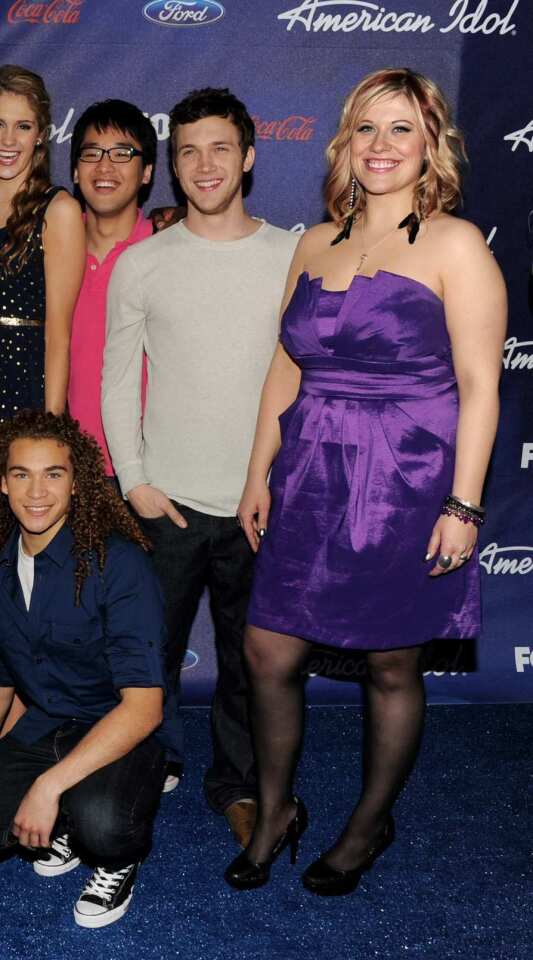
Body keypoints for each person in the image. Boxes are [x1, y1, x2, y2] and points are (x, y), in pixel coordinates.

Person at [227, 69, 505, 895]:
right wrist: (257, 473)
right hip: (311, 467)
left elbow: (480, 386)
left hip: (406, 476)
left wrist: (461, 505)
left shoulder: (455, 243)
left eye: (400, 130)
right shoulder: (313, 242)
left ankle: (365, 823)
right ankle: (274, 811)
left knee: (391, 663)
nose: (380, 147)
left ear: (430, 147)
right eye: (365, 130)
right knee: (265, 647)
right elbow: (286, 363)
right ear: (342, 144)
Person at [102, 88, 298, 845]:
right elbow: (117, 380)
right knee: (142, 665)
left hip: (261, 503)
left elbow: (304, 376)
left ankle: (241, 788)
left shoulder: (291, 255)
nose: (203, 164)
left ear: (248, 156)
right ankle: (127, 787)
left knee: (253, 665)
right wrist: (134, 483)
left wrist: (280, 480)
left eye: (219, 147)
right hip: (167, 505)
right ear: (171, 167)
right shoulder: (142, 263)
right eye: (187, 151)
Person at [0, 412, 167, 929]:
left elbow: (144, 707)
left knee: (104, 827)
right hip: (46, 721)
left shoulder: (119, 563)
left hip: (120, 727)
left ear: (77, 481)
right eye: (21, 474)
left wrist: (47, 787)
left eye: (54, 474)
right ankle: (68, 811)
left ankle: (116, 858)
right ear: (1, 484)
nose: (36, 490)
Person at [0, 65, 84, 430]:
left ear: (40, 135)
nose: (8, 140)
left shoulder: (59, 211)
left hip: (27, 401)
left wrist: (50, 426)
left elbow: (59, 336)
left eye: (23, 126)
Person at [66, 99, 157, 480]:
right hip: (62, 467)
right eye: (92, 153)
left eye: (122, 153)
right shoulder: (48, 247)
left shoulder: (166, 250)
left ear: (147, 172)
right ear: (74, 169)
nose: (105, 166)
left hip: (146, 470)